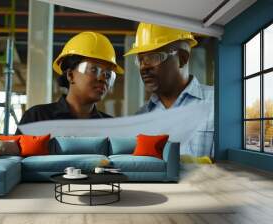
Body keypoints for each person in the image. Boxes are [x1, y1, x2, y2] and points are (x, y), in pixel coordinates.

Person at [124, 23, 214, 161]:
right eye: (140, 59)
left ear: (182, 58)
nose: (143, 67)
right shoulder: (141, 117)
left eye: (153, 57)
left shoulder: (216, 104)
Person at [15, 31, 124, 134]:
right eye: (94, 70)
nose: (103, 79)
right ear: (70, 75)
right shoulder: (38, 118)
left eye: (108, 74)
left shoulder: (109, 127)